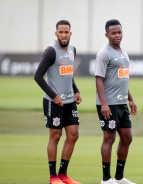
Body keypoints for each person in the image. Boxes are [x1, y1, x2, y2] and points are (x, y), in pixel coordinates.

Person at [34, 20, 82, 184]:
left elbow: (68, 75)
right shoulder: (50, 51)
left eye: (66, 32)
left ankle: (63, 175)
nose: (63, 35)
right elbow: (38, 77)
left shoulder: (72, 50)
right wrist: (54, 96)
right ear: (56, 33)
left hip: (70, 102)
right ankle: (53, 177)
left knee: (74, 135)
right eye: (60, 32)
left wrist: (76, 90)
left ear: (70, 33)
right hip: (53, 102)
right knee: (55, 136)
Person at [94, 19, 137, 184]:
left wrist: (131, 100)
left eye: (119, 32)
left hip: (121, 103)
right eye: (113, 33)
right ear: (107, 35)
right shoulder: (104, 54)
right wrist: (104, 104)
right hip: (109, 104)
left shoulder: (123, 52)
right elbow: (99, 80)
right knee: (109, 138)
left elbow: (123, 79)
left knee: (127, 138)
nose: (117, 35)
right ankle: (106, 179)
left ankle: (119, 178)